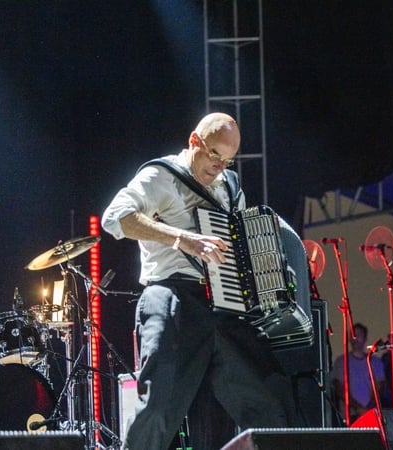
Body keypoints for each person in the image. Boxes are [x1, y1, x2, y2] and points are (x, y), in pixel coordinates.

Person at [102, 112, 295, 450]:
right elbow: (114, 218)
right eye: (214, 155)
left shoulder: (231, 188)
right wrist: (183, 239)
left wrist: (276, 261)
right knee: (159, 407)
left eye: (228, 160)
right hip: (173, 295)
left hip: (225, 304)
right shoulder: (159, 176)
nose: (220, 166)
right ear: (194, 141)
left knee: (269, 403)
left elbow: (241, 246)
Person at [330, 322, 386, 424]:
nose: (355, 338)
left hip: (372, 414)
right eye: (352, 335)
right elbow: (339, 388)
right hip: (349, 416)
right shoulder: (341, 361)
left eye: (358, 335)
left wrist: (368, 408)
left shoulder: (375, 362)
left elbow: (379, 387)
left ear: (365, 338)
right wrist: (358, 408)